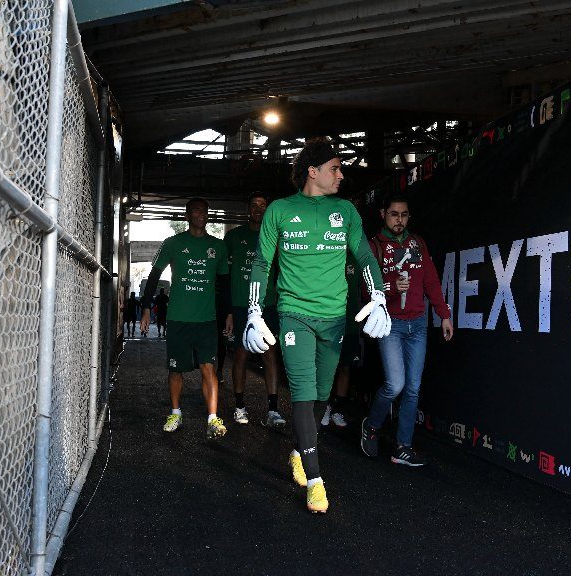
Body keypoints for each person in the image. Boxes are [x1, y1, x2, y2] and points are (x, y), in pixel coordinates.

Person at [243, 138, 390, 513]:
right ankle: (315, 479)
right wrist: (254, 311)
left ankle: (298, 450)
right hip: (294, 313)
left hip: (335, 317)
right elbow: (262, 263)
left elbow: (364, 256)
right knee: (304, 393)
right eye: (335, 168)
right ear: (313, 171)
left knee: (322, 393)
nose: (341, 175)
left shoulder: (346, 210)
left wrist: (378, 297)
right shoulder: (279, 210)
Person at [360, 194, 454, 466]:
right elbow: (367, 291)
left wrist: (444, 315)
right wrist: (390, 286)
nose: (399, 219)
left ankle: (403, 446)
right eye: (394, 214)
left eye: (403, 214)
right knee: (395, 385)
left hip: (418, 324)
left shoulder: (418, 244)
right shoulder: (374, 246)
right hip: (391, 324)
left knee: (412, 389)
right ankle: (372, 425)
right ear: (383, 214)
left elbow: (432, 282)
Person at [140, 198, 230, 439]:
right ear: (187, 215)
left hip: (207, 320)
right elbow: (154, 275)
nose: (201, 214)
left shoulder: (218, 247)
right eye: (196, 211)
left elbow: (224, 284)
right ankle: (176, 413)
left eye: (204, 211)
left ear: (208, 215)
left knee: (208, 368)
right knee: (175, 369)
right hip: (178, 319)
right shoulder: (173, 243)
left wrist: (229, 314)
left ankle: (212, 419)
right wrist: (146, 307)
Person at [223, 192, 287, 430]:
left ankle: (273, 410)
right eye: (254, 205)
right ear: (247, 209)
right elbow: (223, 274)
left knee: (270, 354)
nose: (259, 209)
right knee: (241, 355)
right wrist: (229, 310)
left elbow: (285, 272)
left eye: (263, 205)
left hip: (268, 305)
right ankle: (239, 406)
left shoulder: (275, 237)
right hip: (241, 306)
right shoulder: (234, 237)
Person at [320, 254, 363, 428]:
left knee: (346, 367)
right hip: (329, 321)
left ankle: (336, 409)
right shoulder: (327, 255)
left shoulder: (357, 258)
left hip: (351, 321)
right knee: (327, 367)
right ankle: (323, 407)